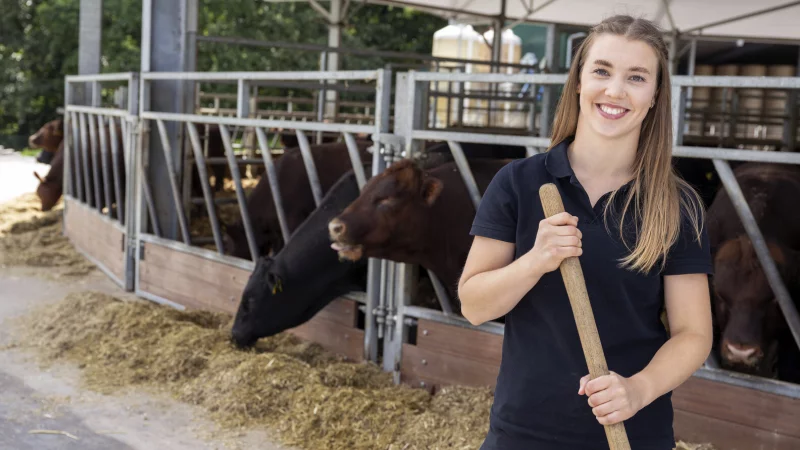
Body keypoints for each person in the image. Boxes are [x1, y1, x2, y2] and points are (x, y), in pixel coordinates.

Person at [458, 15, 713, 450]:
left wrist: (639, 389)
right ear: (578, 81)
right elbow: (474, 305)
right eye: (601, 71)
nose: (615, 91)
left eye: (636, 77)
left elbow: (693, 334)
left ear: (654, 95)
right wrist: (535, 260)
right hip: (523, 433)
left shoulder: (676, 204)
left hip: (632, 433)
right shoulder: (520, 183)